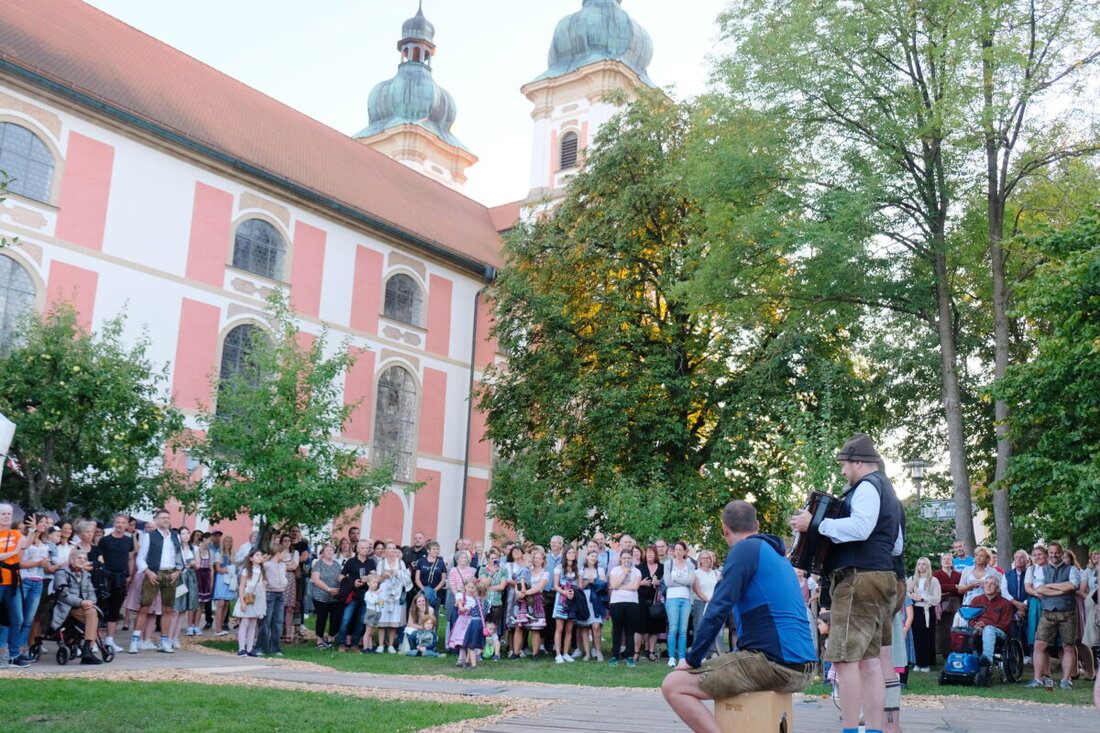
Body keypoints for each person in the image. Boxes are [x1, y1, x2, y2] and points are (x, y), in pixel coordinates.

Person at [663, 501, 815, 733]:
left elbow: (718, 608)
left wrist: (692, 659)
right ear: (757, 525)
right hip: (803, 665)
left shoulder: (744, 550)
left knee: (674, 685)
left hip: (774, 664)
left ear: (725, 529)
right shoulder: (775, 555)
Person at [789, 434, 902, 733]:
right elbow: (897, 546)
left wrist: (813, 524)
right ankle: (874, 730)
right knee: (870, 662)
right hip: (881, 577)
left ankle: (850, 730)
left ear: (859, 463)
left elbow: (862, 527)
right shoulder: (888, 491)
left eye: (844, 464)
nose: (842, 471)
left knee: (845, 661)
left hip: (859, 579)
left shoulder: (866, 487)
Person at [1025, 541, 1080, 689]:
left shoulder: (1072, 569)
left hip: (1067, 613)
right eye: (1051, 553)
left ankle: (1065, 680)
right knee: (1039, 645)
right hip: (1048, 612)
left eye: (1057, 552)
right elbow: (1039, 589)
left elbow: (1073, 585)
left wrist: (1050, 586)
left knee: (1068, 646)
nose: (1054, 555)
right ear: (1048, 554)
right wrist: (1061, 590)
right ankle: (1038, 679)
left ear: (1061, 553)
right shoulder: (1042, 570)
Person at [131, 508, 184, 654]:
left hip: (170, 573)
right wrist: (147, 571)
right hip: (153, 572)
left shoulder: (175, 536)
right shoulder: (149, 536)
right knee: (145, 607)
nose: (166, 520)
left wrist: (178, 571)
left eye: (168, 517)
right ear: (156, 520)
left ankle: (164, 641)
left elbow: (180, 556)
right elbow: (141, 557)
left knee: (168, 608)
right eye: (162, 518)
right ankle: (135, 641)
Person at [50, 550, 105, 665]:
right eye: (79, 558)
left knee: (93, 613)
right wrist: (81, 602)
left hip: (85, 607)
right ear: (71, 560)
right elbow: (63, 594)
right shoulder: (62, 572)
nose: (82, 560)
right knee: (92, 614)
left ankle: (86, 649)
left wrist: (91, 601)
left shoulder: (86, 574)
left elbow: (91, 591)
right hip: (67, 606)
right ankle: (87, 650)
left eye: (84, 559)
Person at [665, 540, 705, 668]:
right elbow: (667, 583)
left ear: (684, 551)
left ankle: (682, 657)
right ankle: (672, 656)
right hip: (672, 598)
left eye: (680, 550)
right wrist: (683, 580)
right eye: (675, 549)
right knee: (673, 628)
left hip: (686, 599)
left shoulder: (690, 565)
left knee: (683, 629)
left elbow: (690, 581)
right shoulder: (668, 563)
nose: (677, 552)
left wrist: (676, 579)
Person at [969, 575, 1013, 686]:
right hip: (979, 630)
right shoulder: (976, 600)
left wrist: (986, 625)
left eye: (992, 584)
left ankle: (987, 661)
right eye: (986, 583)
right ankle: (971, 663)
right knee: (966, 631)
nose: (988, 586)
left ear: (998, 588)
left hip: (999, 633)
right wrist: (976, 626)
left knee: (988, 629)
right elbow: (971, 620)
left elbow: (1005, 625)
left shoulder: (1005, 603)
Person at [258, 537, 297, 657]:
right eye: (283, 553)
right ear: (278, 553)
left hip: (280, 593)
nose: (285, 555)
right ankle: (261, 647)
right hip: (270, 593)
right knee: (266, 621)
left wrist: (284, 583)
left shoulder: (282, 565)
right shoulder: (267, 565)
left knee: (278, 621)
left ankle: (275, 648)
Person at [335, 539, 375, 650]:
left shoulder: (371, 562)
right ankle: (342, 644)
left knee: (361, 620)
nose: (365, 550)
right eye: (363, 548)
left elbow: (375, 577)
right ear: (357, 549)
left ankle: (355, 644)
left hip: (366, 594)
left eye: (367, 548)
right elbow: (340, 577)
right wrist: (353, 582)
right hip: (352, 594)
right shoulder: (351, 562)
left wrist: (369, 578)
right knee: (346, 618)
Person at [375, 541, 411, 653]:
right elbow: (377, 580)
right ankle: (381, 645)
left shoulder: (400, 563)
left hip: (396, 592)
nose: (392, 550)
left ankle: (391, 645)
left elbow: (406, 578)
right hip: (383, 593)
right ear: (386, 550)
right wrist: (383, 576)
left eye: (393, 548)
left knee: (394, 619)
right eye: (389, 548)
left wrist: (399, 573)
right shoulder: (381, 563)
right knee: (382, 618)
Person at [607, 548, 641, 666]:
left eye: (628, 558)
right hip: (617, 603)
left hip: (632, 602)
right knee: (617, 629)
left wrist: (618, 587)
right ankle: (615, 656)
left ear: (632, 558)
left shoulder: (637, 571)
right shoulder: (615, 570)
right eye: (624, 558)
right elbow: (614, 584)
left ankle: (629, 656)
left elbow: (635, 587)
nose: (627, 560)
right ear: (620, 559)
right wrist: (624, 572)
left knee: (630, 631)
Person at [907, 556, 941, 671]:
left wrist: (922, 598)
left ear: (928, 566)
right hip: (915, 610)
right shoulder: (911, 579)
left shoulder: (933, 580)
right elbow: (906, 592)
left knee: (927, 637)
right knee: (916, 637)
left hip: (927, 610)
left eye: (923, 564)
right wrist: (912, 596)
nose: (921, 566)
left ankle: (926, 663)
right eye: (919, 564)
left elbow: (937, 599)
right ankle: (917, 662)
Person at [309, 543, 343, 648]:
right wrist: (328, 589)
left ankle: (330, 636)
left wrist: (339, 589)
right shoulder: (318, 564)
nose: (329, 552)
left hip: (335, 597)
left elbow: (341, 577)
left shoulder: (337, 564)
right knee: (322, 617)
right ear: (323, 552)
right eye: (327, 550)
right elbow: (315, 579)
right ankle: (319, 639)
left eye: (331, 550)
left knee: (336, 618)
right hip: (321, 596)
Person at [234, 549, 266, 657]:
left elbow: (262, 586)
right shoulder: (247, 571)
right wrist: (242, 601)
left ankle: (250, 648)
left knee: (253, 624)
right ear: (251, 558)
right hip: (248, 598)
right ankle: (241, 648)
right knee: (245, 623)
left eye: (260, 555)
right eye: (257, 555)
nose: (259, 557)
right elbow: (242, 586)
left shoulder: (261, 571)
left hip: (257, 599)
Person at [551, 545, 579, 663]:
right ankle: (558, 654)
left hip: (572, 599)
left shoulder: (577, 569)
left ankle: (566, 653)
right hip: (561, 600)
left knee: (569, 628)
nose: (571, 554)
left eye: (573, 552)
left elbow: (579, 585)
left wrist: (573, 591)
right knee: (559, 628)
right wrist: (565, 592)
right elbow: (555, 585)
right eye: (569, 552)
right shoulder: (559, 568)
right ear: (565, 554)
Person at [577, 549, 606, 661]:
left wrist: (595, 581)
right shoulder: (581, 570)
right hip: (585, 599)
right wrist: (588, 582)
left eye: (595, 556)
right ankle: (587, 653)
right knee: (584, 626)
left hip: (596, 600)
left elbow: (603, 584)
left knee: (596, 625)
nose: (593, 558)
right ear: (587, 557)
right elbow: (580, 586)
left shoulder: (600, 570)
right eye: (591, 556)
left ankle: (598, 652)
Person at [933, 551, 962, 661]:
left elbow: (962, 587)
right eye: (944, 559)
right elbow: (938, 587)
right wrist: (954, 587)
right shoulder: (936, 574)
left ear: (952, 562)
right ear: (941, 562)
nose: (946, 561)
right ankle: (942, 650)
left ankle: (953, 650)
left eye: (949, 559)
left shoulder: (958, 574)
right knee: (941, 629)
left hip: (956, 603)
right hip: (942, 604)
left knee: (954, 627)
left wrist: (952, 588)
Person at [638, 544, 665, 662]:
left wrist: (658, 582)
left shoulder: (662, 567)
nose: (649, 554)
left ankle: (652, 652)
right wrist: (642, 583)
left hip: (656, 602)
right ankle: (639, 652)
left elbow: (666, 583)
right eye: (647, 552)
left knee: (654, 628)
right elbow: (634, 582)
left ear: (655, 554)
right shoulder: (639, 567)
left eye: (651, 552)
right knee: (642, 627)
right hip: (642, 600)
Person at [211, 535, 238, 637]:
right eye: (226, 541)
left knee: (227, 603)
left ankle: (221, 625)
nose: (228, 544)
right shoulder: (219, 554)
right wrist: (228, 569)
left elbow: (235, 567)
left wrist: (228, 569)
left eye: (230, 542)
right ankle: (217, 628)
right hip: (221, 579)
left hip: (230, 579)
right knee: (221, 603)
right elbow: (219, 569)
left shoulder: (233, 554)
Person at [414, 540, 447, 613]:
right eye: (434, 549)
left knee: (434, 614)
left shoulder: (441, 563)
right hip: (422, 592)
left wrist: (434, 591)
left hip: (436, 593)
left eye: (438, 549)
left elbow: (443, 579)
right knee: (421, 613)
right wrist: (424, 590)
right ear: (428, 550)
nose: (436, 551)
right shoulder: (421, 561)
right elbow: (417, 579)